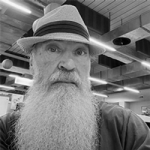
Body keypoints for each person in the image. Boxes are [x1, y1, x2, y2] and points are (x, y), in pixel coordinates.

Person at [0, 0, 150, 150]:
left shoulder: (125, 126)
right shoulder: (6, 129)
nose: (69, 65)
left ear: (89, 64)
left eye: (80, 52)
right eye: (53, 49)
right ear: (32, 62)